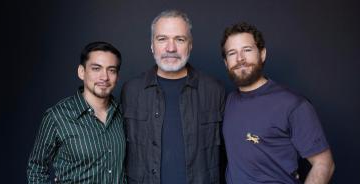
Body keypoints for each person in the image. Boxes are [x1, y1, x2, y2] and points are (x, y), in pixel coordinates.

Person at [221, 22, 335, 183]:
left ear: (262, 54)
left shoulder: (293, 105)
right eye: (232, 53)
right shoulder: (227, 102)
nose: (240, 58)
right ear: (226, 63)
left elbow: (324, 164)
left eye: (247, 50)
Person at [121, 10, 226, 184]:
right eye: (162, 39)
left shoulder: (215, 90)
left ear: (190, 45)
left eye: (180, 39)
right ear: (152, 45)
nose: (171, 48)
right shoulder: (131, 90)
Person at [27, 41, 126, 183]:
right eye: (96, 68)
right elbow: (36, 168)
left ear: (117, 76)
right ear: (81, 72)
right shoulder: (57, 116)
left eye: (111, 70)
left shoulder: (123, 114)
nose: (104, 77)